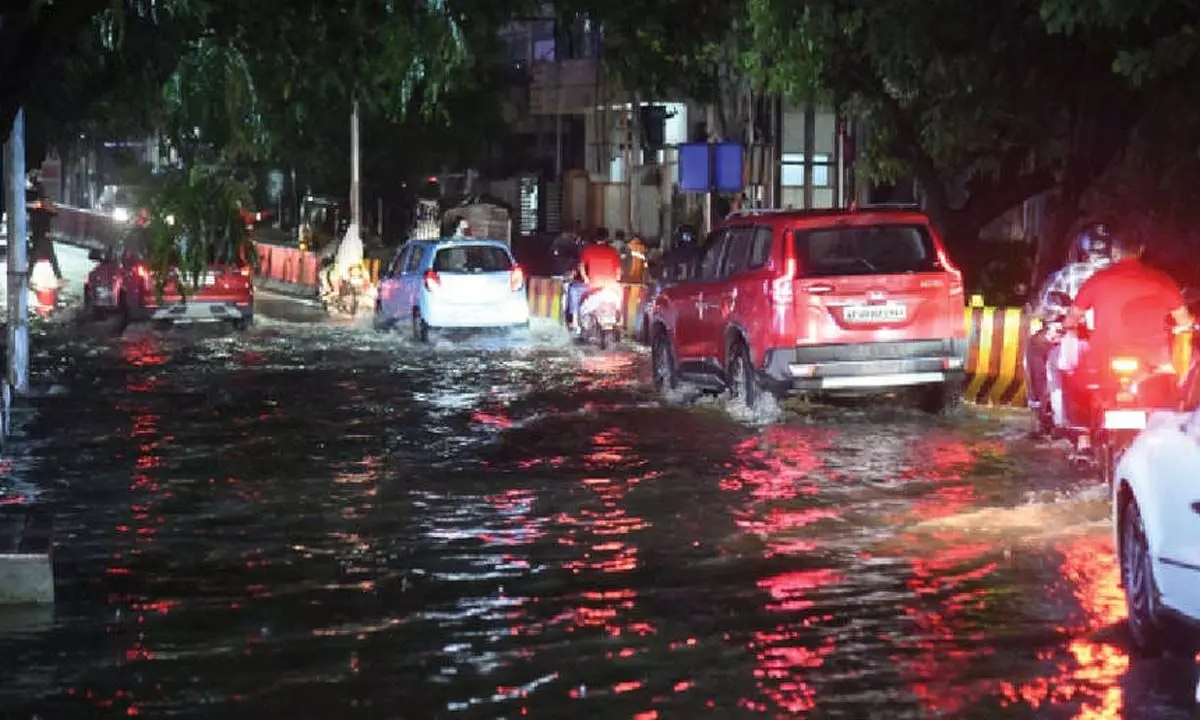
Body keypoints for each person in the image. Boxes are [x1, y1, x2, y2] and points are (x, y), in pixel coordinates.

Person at [1060, 233, 1194, 455]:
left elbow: (1072, 319)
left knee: (1073, 378)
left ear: (1113, 252)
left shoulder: (1098, 279)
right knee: (1172, 392)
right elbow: (1184, 321)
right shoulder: (1161, 280)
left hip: (1102, 360)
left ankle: (1083, 440)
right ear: (1140, 250)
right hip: (1152, 364)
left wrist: (1072, 327)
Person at [1024, 221, 1115, 435]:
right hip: (1116, 339)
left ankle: (1041, 408)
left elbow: (1049, 310)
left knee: (1035, 346)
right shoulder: (1122, 275)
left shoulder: (1069, 274)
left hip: (1078, 336)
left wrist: (1056, 319)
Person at [565, 235, 622, 333]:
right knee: (620, 295)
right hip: (611, 285)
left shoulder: (588, 250)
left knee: (574, 289)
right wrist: (616, 280)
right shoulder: (613, 251)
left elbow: (581, 266)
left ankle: (574, 320)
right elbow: (618, 271)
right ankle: (621, 320)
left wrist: (585, 278)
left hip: (593, 285)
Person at [319, 221, 365, 299]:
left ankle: (330, 292)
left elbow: (324, 253)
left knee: (322, 273)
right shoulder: (359, 241)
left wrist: (321, 256)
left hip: (343, 268)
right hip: (358, 268)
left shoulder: (339, 241)